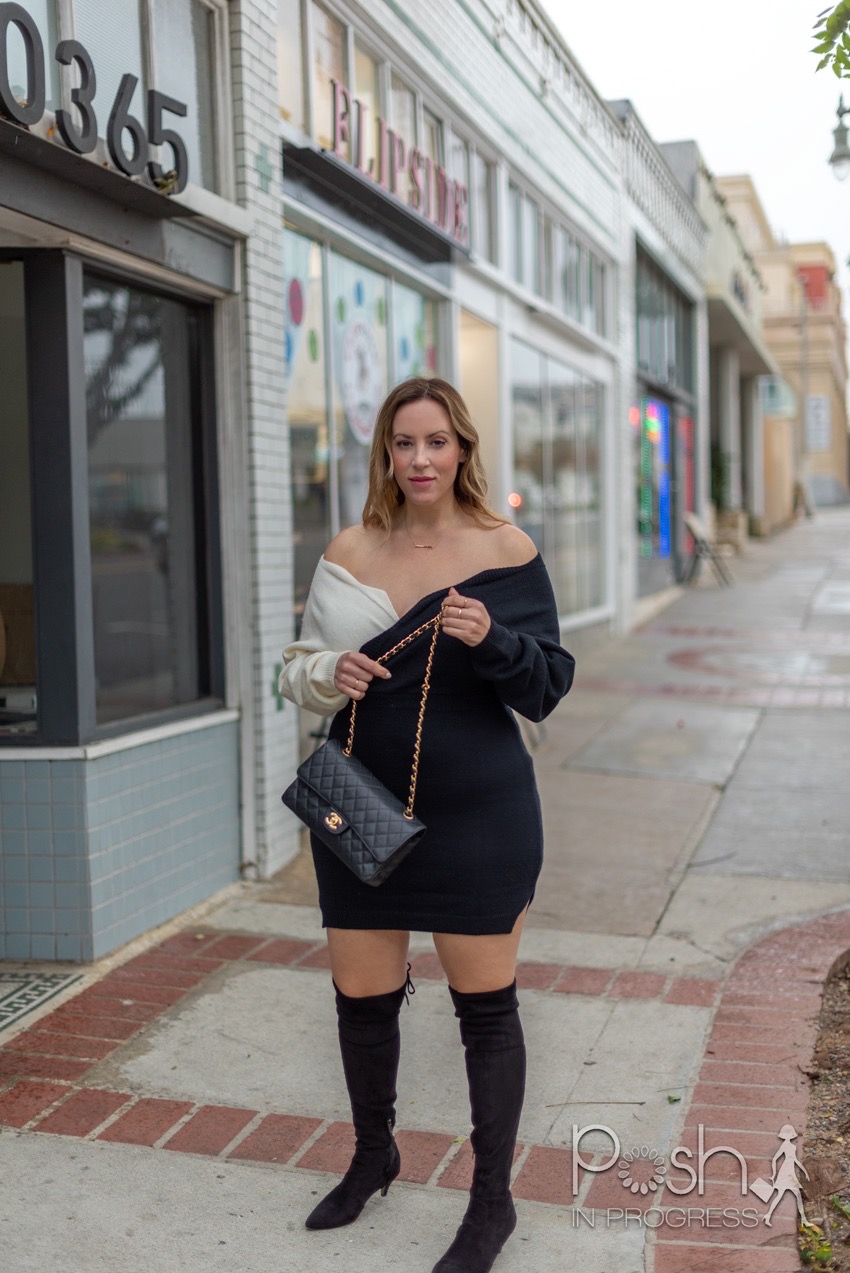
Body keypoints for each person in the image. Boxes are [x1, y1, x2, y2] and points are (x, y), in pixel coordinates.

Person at [278, 377, 575, 1273]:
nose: (419, 460)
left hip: (481, 812)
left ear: (463, 450)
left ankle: (492, 1203)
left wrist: (496, 640)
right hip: (359, 805)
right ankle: (375, 1155)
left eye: (436, 442)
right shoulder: (351, 547)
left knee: (485, 1012)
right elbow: (295, 675)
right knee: (361, 1001)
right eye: (403, 444)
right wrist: (331, 668)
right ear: (385, 453)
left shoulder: (505, 548)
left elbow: (549, 686)